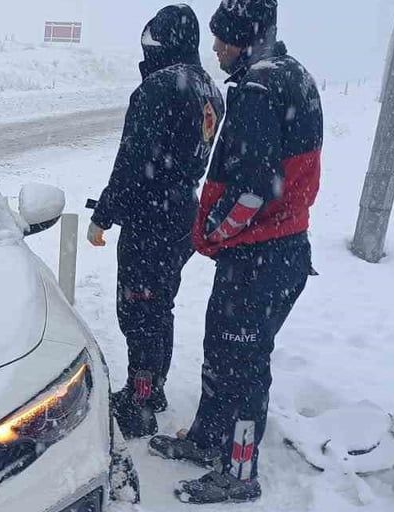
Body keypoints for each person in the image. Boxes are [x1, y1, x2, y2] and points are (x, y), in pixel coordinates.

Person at [149, 0, 324, 504]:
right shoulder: (292, 74)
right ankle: (208, 439)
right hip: (278, 251)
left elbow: (254, 188)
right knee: (224, 352)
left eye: (223, 38)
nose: (216, 48)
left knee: (243, 366)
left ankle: (240, 471)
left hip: (259, 256)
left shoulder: (258, 88)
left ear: (245, 38)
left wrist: (212, 232)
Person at [88, 4, 224, 439]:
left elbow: (132, 160)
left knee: (139, 308)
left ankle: (140, 401)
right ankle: (153, 388)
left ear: (164, 43)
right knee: (159, 304)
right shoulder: (209, 89)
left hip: (150, 215)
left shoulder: (159, 88)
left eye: (151, 42)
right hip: (183, 211)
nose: (146, 50)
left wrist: (104, 214)